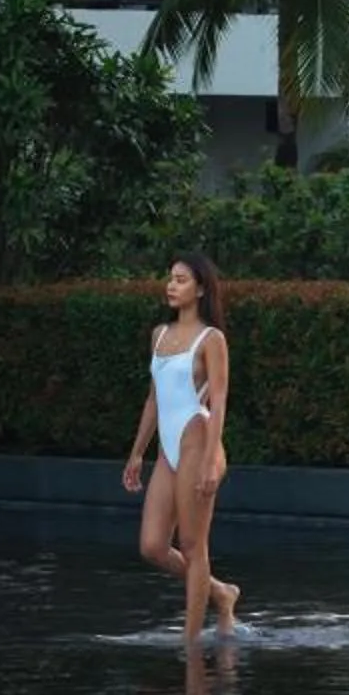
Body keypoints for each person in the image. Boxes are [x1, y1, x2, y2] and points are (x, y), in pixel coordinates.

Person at [122, 253, 241, 645]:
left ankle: (191, 644)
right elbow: (154, 399)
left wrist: (210, 460)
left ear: (201, 289)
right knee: (153, 546)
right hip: (167, 450)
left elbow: (219, 402)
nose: (171, 285)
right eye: (170, 278)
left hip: (198, 442)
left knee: (193, 546)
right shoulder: (159, 335)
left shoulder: (212, 339)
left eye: (181, 279)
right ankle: (221, 593)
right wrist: (137, 452)